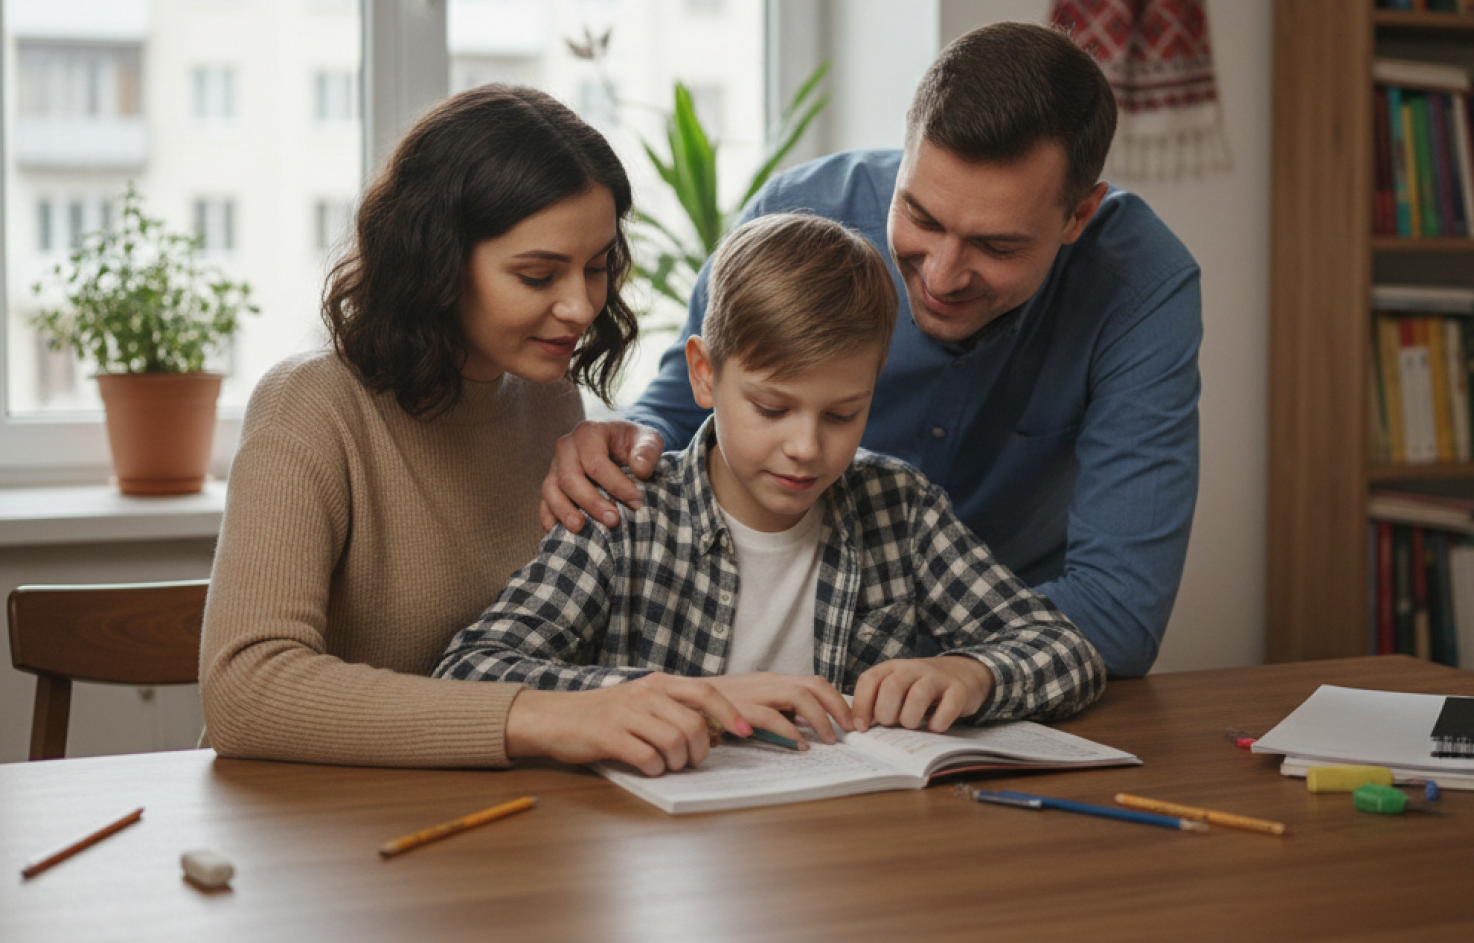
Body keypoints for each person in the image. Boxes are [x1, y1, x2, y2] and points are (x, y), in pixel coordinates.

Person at [540, 22, 1201, 678]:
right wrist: (620, 444)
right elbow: (687, 410)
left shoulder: (1140, 287)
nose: (941, 277)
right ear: (908, 151)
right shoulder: (799, 215)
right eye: (921, 217)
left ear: (1078, 217)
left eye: (997, 247)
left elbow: (1118, 612)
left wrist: (961, 671)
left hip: (1002, 655)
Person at [200, 85, 756, 777]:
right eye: (538, 273)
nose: (582, 305)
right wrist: (535, 715)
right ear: (435, 260)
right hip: (313, 825)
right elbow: (245, 691)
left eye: (597, 266)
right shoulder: (310, 406)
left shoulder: (550, 402)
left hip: (481, 814)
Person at [436, 213, 1102, 740]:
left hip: (837, 852)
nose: (806, 447)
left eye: (843, 413)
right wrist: (689, 700)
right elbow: (468, 674)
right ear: (704, 372)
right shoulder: (625, 514)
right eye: (772, 408)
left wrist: (973, 671)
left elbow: (1065, 651)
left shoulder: (901, 508)